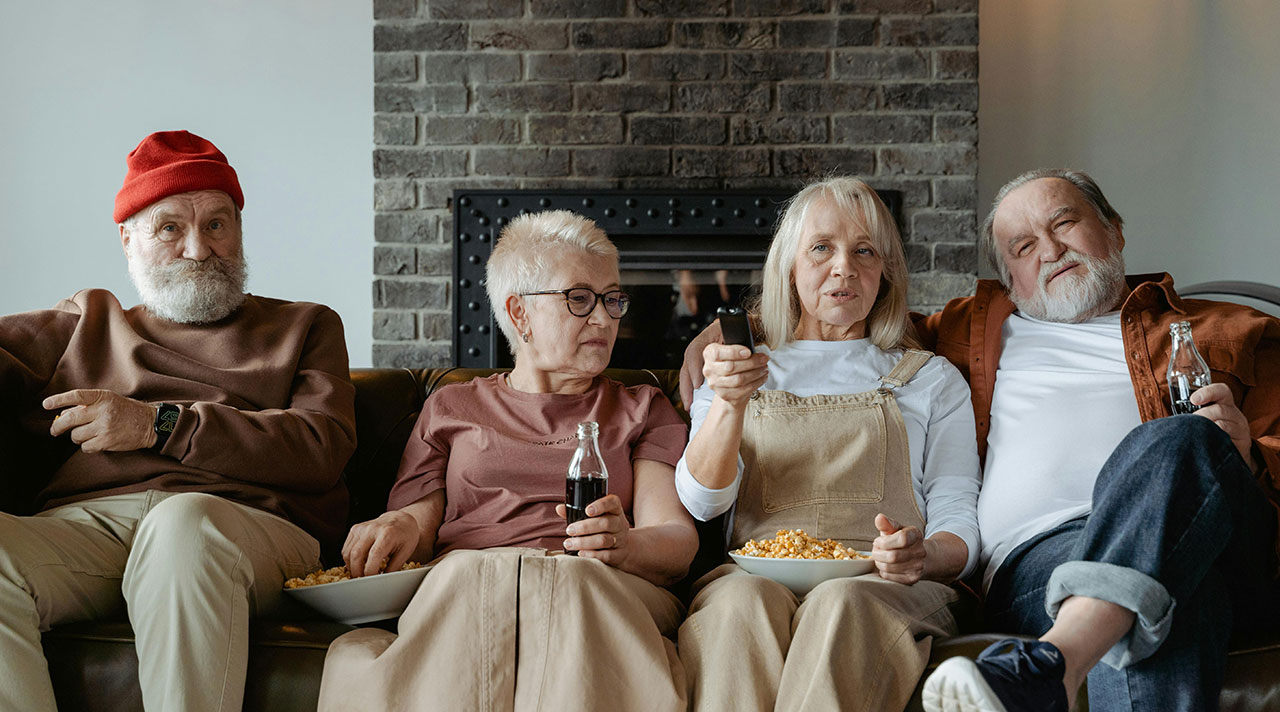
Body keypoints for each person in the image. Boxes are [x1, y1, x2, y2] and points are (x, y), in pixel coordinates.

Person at [685, 168, 1280, 711]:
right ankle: (1061, 655)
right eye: (1023, 246)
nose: (1049, 251)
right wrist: (722, 333)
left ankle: (1051, 664)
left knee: (1176, 440)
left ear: (1114, 230)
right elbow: (840, 331)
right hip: (1042, 560)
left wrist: (1247, 455)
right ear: (1008, 277)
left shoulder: (1230, 326)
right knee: (1175, 597)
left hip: (1214, 530)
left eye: (1064, 223)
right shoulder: (973, 329)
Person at [0, 130, 357, 712]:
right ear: (127, 240)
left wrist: (158, 425)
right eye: (170, 228)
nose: (198, 248)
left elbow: (319, 448)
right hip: (92, 527)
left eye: (217, 224)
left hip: (244, 524)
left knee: (183, 527)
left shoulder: (306, 326)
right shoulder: (82, 324)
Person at [317, 210, 698, 712]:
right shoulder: (450, 407)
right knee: (466, 578)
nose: (605, 318)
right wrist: (394, 527)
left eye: (612, 299)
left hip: (597, 586)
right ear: (519, 314)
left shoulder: (642, 407)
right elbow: (419, 523)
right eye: (580, 299)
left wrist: (623, 545)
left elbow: (675, 540)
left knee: (567, 585)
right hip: (471, 584)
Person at [675, 177, 981, 712]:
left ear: (885, 270)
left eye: (864, 250)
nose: (845, 267)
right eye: (822, 248)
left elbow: (959, 518)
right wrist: (727, 403)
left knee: (840, 600)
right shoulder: (737, 367)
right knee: (738, 604)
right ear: (788, 266)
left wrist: (922, 554)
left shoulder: (930, 379)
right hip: (755, 572)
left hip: (883, 583)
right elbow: (703, 502)